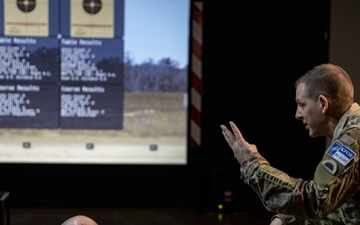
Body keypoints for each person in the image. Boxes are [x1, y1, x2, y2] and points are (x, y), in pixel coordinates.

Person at [220, 63, 360, 225]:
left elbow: (317, 201)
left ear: (322, 103)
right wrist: (287, 219)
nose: (297, 115)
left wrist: (251, 163)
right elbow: (341, 211)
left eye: (301, 104)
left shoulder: (353, 137)